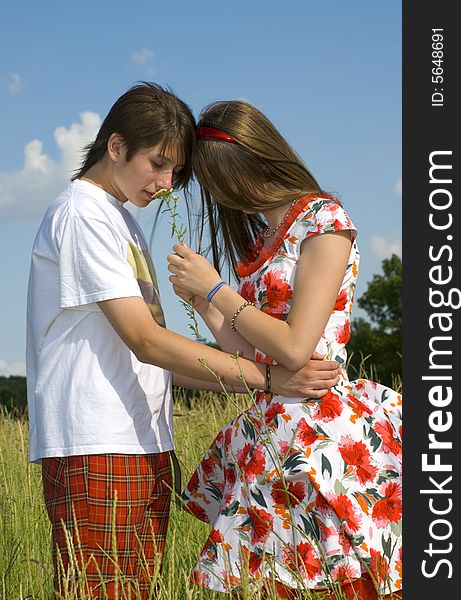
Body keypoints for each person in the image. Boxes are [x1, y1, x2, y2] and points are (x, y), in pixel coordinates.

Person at [26, 83, 340, 599]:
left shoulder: (119, 218)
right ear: (115, 146)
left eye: (175, 172)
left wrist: (257, 383)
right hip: (97, 443)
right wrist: (269, 377)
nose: (167, 183)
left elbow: (157, 360)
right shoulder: (82, 214)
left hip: (138, 442)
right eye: (157, 164)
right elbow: (147, 341)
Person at [167, 100, 402, 599]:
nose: (222, 196)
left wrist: (216, 291)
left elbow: (297, 347)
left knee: (341, 576)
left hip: (321, 426)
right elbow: (256, 358)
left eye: (222, 181)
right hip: (276, 422)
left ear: (255, 161)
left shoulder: (324, 218)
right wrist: (204, 304)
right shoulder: (264, 237)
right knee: (279, 581)